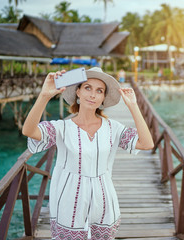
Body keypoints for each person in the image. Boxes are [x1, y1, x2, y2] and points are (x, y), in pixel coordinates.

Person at [22, 67, 154, 240]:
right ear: (77, 91)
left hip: (104, 200)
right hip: (69, 200)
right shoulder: (62, 127)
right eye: (87, 88)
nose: (93, 95)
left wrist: (133, 106)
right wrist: (45, 95)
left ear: (103, 98)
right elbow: (29, 130)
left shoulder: (113, 128)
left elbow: (146, 143)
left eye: (99, 91)